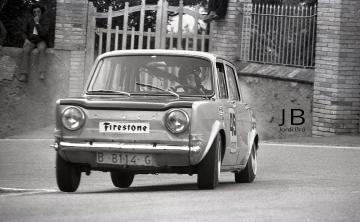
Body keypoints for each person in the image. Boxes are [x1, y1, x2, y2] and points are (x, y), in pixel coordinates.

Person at [16, 4, 50, 82]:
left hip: (41, 40)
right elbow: (23, 32)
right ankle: (23, 74)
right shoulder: (29, 20)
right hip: (31, 41)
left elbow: (44, 33)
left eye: (38, 11)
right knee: (25, 50)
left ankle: (42, 72)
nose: (36, 13)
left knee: (42, 49)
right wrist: (25, 39)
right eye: (34, 12)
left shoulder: (46, 20)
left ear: (41, 12)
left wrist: (37, 23)